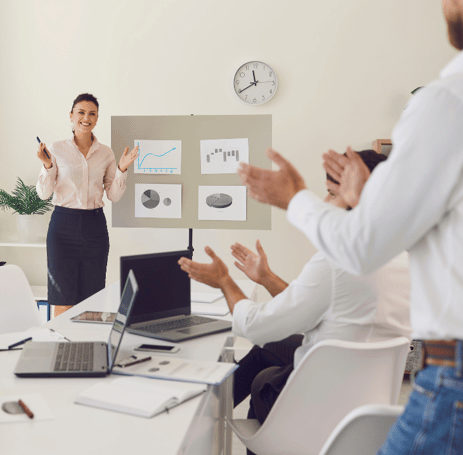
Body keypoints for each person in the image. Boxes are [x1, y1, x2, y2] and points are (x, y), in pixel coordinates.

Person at [237, 2, 463, 452]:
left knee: (264, 363)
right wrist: (367, 204)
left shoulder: (447, 100)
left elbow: (358, 251)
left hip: (449, 376)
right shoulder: (399, 262)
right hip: (379, 402)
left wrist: (292, 198)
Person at [179, 151, 411, 437]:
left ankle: (214, 424)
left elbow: (255, 325)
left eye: (330, 194)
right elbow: (315, 310)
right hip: (364, 398)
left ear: (357, 201)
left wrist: (225, 281)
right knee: (271, 348)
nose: (323, 202)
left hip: (319, 403)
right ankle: (209, 410)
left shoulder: (336, 262)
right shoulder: (405, 256)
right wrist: (266, 278)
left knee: (264, 380)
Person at [36, 93, 139, 316]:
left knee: (93, 299)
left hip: (94, 227)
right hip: (62, 227)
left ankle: (88, 348)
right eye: (81, 112)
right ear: (71, 116)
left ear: (97, 118)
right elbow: (44, 194)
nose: (86, 117)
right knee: (63, 300)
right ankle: (63, 347)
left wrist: (121, 169)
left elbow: (113, 195)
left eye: (92, 113)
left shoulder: (106, 153)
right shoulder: (56, 149)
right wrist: (46, 166)